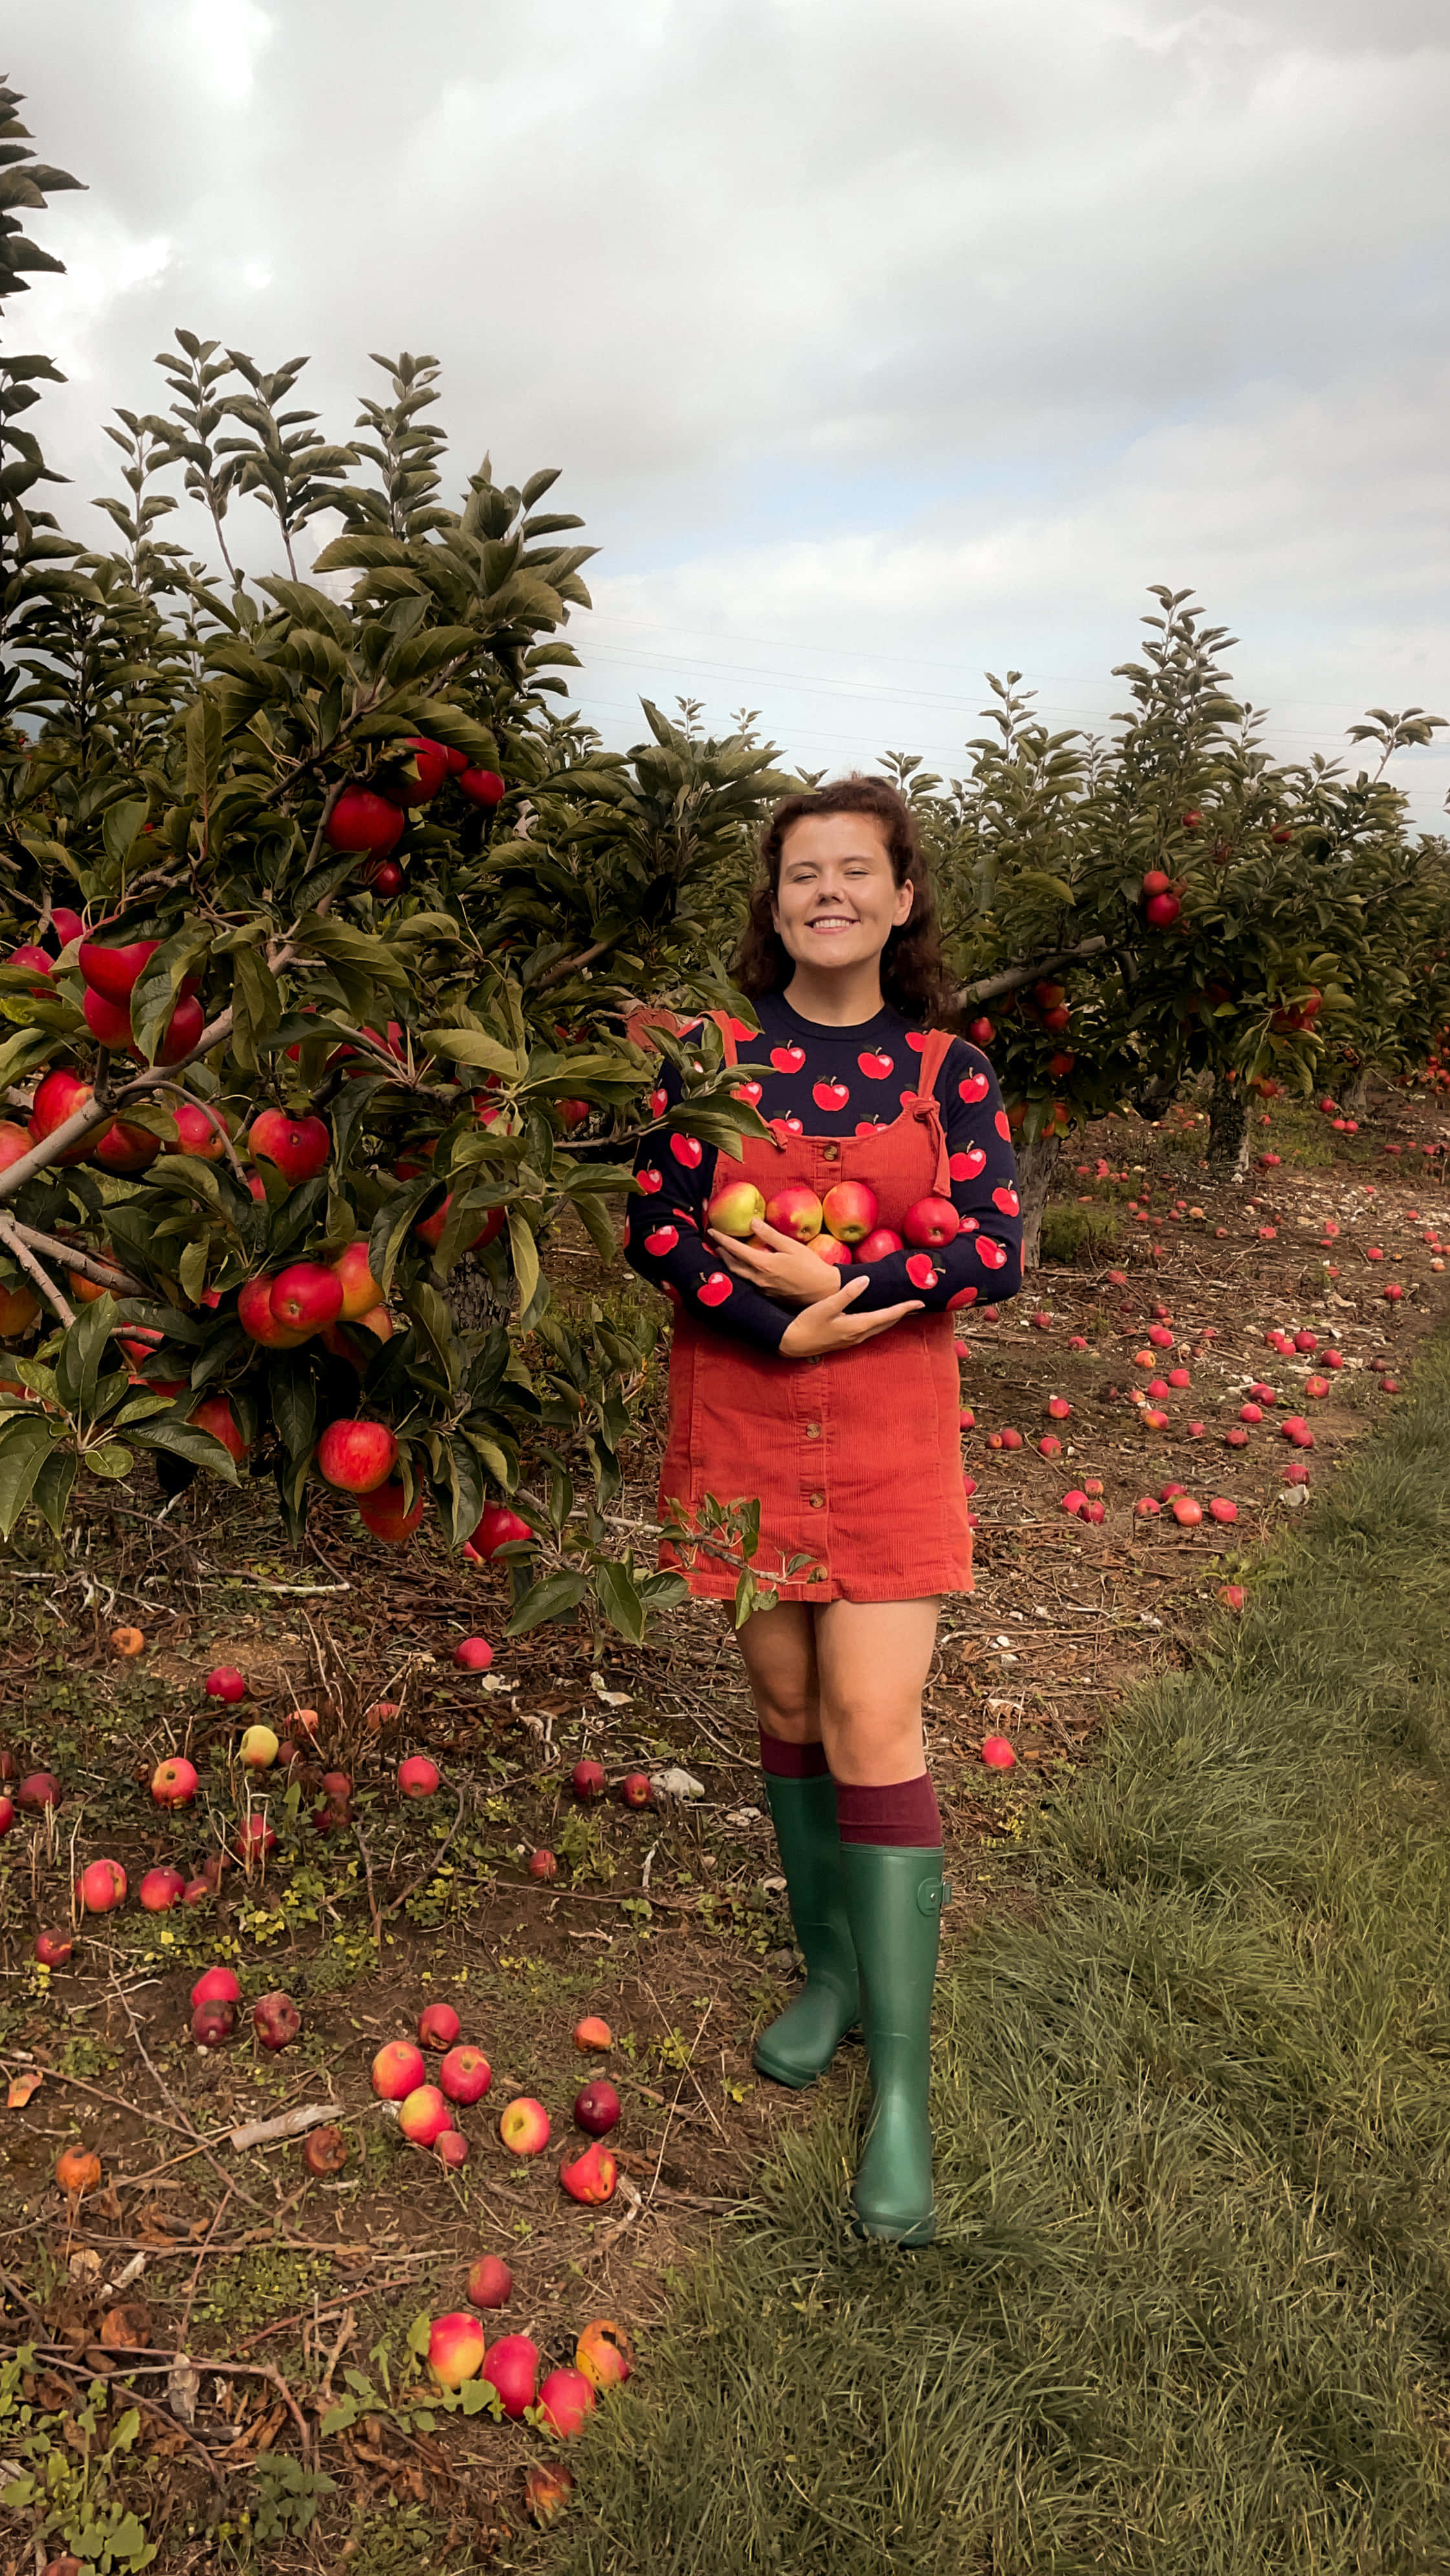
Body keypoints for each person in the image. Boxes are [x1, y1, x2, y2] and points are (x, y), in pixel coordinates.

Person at [625, 776, 1022, 2244]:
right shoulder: (709, 1059)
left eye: (859, 872)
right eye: (806, 874)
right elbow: (657, 1222)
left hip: (888, 1432)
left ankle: (902, 2089)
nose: (831, 893)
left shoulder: (946, 1071)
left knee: (873, 1717)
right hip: (741, 1406)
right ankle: (835, 1972)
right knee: (784, 1699)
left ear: (903, 900)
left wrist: (840, 1300)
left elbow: (994, 1247)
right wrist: (768, 1320)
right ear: (775, 902)